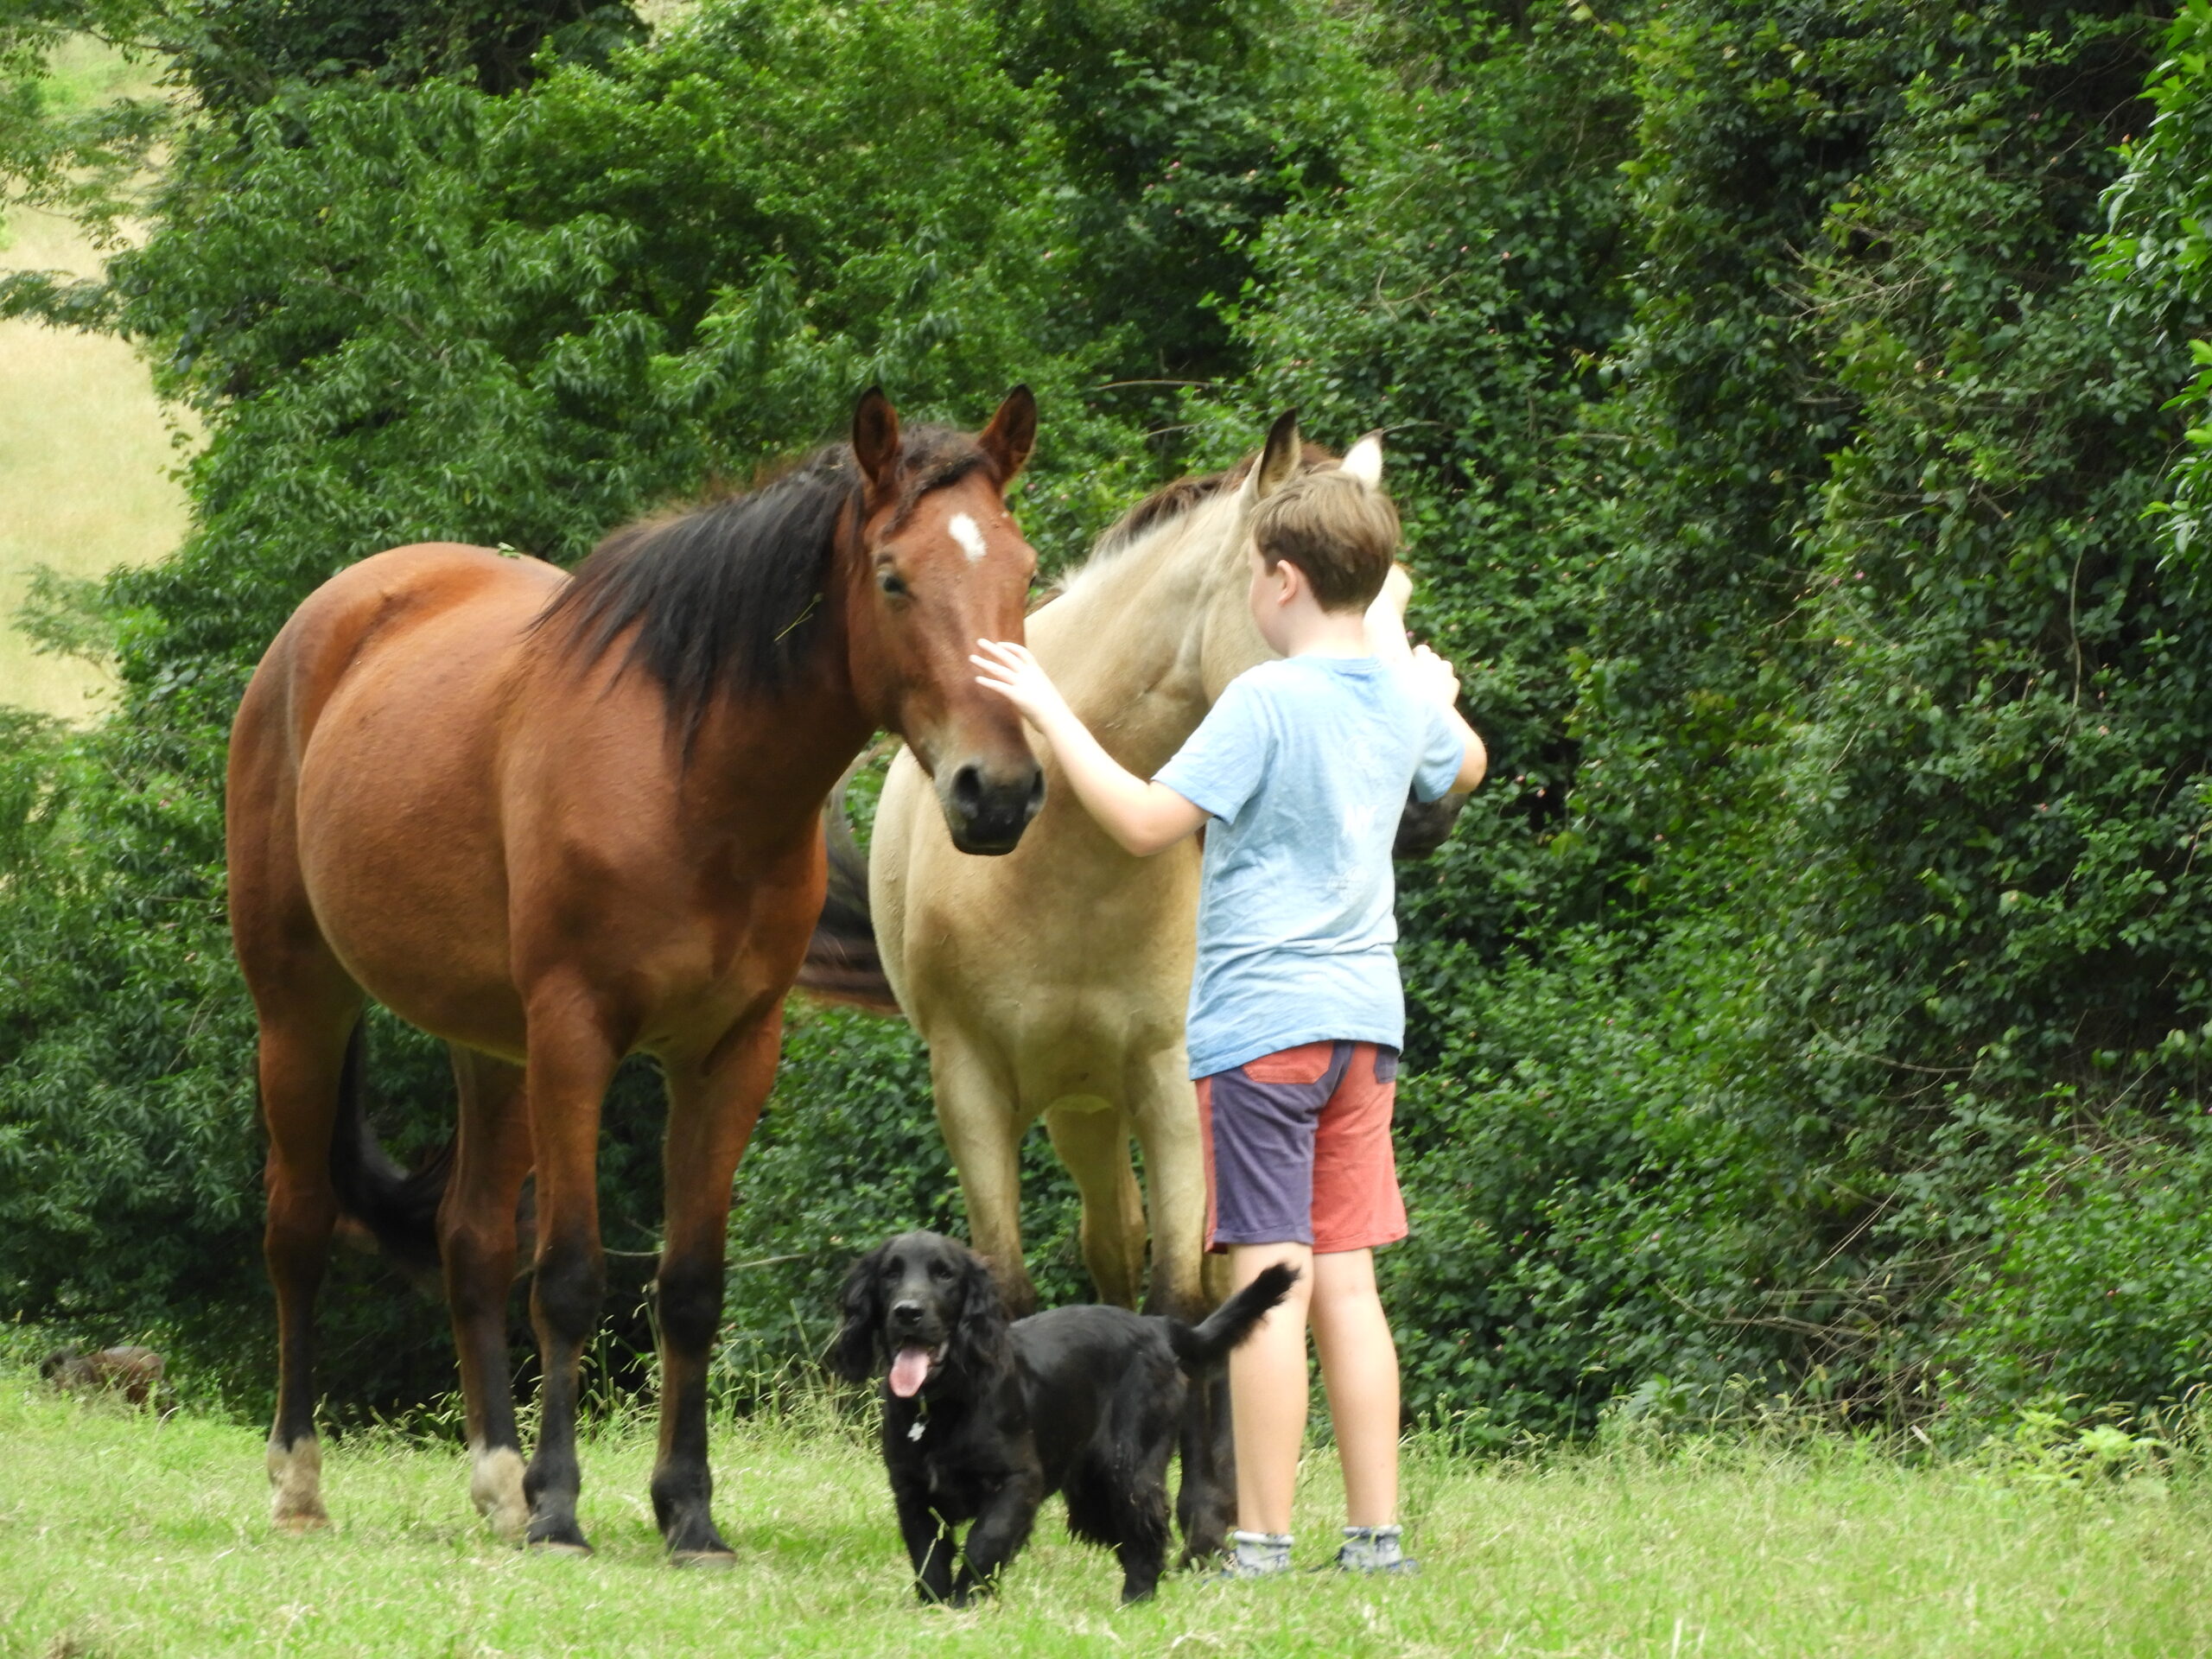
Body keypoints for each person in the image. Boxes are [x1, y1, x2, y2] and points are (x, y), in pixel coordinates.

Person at [971, 457, 1486, 1578]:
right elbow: (1466, 766)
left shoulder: (1263, 701)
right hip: (1366, 1032)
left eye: (1255, 575)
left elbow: (1147, 821)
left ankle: (1259, 1537)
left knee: (1270, 1283)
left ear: (1285, 583)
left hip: (1264, 1036)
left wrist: (1052, 709)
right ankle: (1375, 1539)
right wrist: (1426, 686)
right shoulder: (1399, 702)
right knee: (1348, 1282)